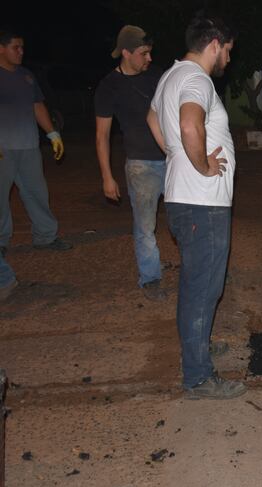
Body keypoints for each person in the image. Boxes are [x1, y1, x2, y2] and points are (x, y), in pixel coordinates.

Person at [147, 14, 245, 400]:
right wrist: (201, 164)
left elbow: (153, 119)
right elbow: (190, 124)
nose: (229, 60)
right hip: (202, 202)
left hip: (185, 198)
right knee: (203, 289)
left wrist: (175, 155)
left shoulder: (170, 76)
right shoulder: (196, 79)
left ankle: (197, 348)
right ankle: (198, 377)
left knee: (197, 285)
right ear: (214, 44)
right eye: (228, 51)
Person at [94, 25, 168, 301]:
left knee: (184, 219)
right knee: (145, 227)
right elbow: (102, 136)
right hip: (141, 165)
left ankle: (198, 268)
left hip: (172, 159)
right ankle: (150, 278)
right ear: (125, 53)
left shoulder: (156, 75)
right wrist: (107, 176)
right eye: (143, 53)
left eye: (150, 52)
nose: (149, 58)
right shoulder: (109, 86)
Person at [0, 27, 72, 258]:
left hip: (29, 146)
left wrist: (52, 134)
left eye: (22, 47)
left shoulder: (26, 76)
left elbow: (37, 105)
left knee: (36, 192)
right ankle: (1, 241)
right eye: (15, 47)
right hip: (3, 148)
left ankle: (45, 236)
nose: (21, 52)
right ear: (1, 49)